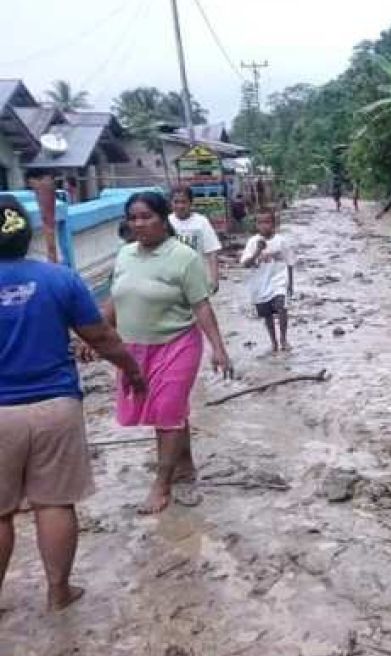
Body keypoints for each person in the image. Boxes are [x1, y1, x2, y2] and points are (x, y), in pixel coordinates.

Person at [0, 197, 146, 611]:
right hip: (55, 406)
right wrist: (133, 372)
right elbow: (100, 337)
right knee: (54, 503)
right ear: (26, 235)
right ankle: (58, 592)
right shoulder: (59, 279)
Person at [106, 191, 232, 514]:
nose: (139, 224)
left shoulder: (184, 257)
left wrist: (219, 348)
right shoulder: (124, 256)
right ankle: (185, 466)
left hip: (177, 345)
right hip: (134, 350)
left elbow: (201, 306)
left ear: (163, 219)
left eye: (146, 216)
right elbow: (115, 300)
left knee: (166, 411)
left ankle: (162, 485)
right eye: (133, 218)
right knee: (169, 412)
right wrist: (93, 336)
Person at [240, 209, 296, 353]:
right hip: (260, 285)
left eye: (268, 222)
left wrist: (290, 284)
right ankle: (274, 342)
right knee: (267, 315)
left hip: (279, 281)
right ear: (256, 225)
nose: (264, 225)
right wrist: (257, 252)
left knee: (282, 307)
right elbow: (245, 264)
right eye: (260, 222)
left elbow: (290, 262)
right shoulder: (252, 242)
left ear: (274, 224)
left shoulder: (281, 241)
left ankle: (283, 339)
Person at [169, 186, 221, 293]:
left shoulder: (201, 222)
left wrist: (214, 278)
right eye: (176, 202)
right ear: (171, 203)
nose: (180, 206)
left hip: (196, 277)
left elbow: (212, 251)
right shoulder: (166, 222)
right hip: (172, 279)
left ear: (190, 203)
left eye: (184, 202)